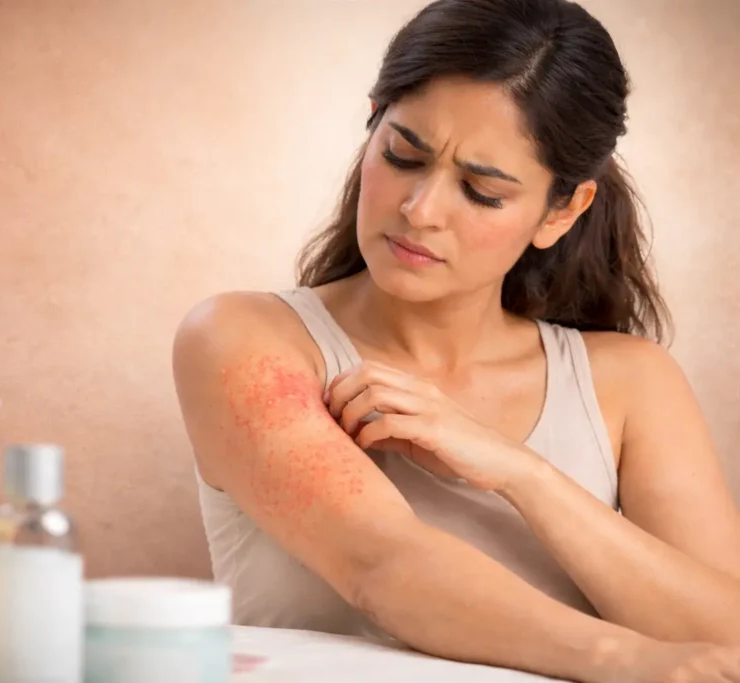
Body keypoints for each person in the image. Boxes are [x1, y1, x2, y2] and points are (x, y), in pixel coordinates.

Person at [172, 0, 740, 680]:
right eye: (404, 155)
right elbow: (384, 565)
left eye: (481, 190)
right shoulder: (244, 339)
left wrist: (520, 471)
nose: (421, 211)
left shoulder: (632, 382)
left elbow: (724, 628)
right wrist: (628, 659)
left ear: (563, 211)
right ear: (372, 119)